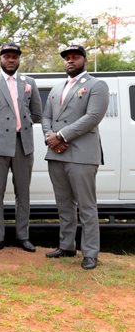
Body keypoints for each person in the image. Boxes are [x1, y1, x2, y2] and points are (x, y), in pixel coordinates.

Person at [42, 45, 109, 270]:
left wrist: (61, 135)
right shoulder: (57, 87)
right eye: (67, 58)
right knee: (64, 205)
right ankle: (67, 245)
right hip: (56, 154)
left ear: (84, 60)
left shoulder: (96, 85)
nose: (70, 61)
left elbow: (93, 117)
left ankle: (90, 253)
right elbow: (46, 117)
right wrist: (50, 137)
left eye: (75, 57)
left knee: (86, 206)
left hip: (82, 155)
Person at [0, 42, 42, 253]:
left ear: (19, 59)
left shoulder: (29, 82)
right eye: (7, 56)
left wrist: (22, 123)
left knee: (23, 193)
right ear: (0, 58)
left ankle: (23, 236)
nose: (11, 59)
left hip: (23, 144)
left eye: (14, 56)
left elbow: (37, 113)